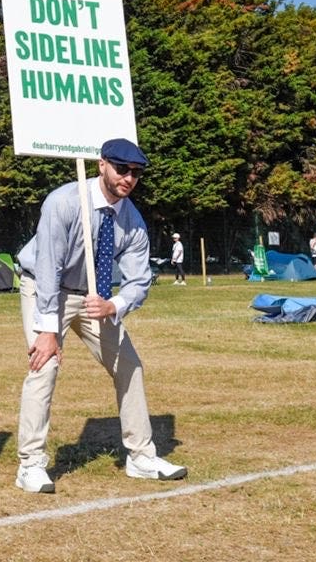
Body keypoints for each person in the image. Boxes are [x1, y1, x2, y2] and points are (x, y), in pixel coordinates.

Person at [13, 138, 187, 495]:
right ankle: (30, 464)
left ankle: (140, 457)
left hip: (94, 298)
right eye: (122, 169)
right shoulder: (63, 202)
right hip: (46, 288)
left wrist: (114, 305)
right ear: (101, 165)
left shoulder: (133, 221)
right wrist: (47, 328)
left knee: (130, 365)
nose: (129, 178)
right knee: (43, 367)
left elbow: (139, 280)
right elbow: (47, 266)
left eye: (136, 173)